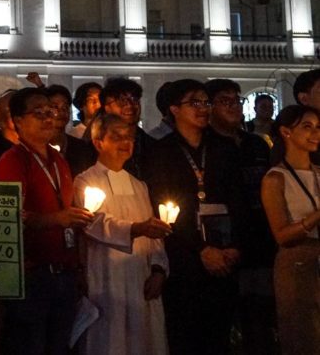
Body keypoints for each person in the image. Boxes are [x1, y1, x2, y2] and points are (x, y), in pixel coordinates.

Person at [144, 79, 246, 355]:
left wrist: (235, 246)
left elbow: (239, 201)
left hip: (225, 254)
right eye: (194, 103)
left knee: (220, 336)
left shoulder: (224, 149)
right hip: (184, 259)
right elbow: (160, 208)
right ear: (174, 109)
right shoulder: (160, 152)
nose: (203, 109)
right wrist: (200, 249)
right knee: (186, 335)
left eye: (205, 103)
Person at [0, 87, 93, 355]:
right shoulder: (13, 159)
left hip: (65, 271)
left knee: (59, 346)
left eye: (50, 111)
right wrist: (57, 219)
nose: (48, 117)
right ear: (17, 121)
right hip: (33, 273)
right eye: (38, 113)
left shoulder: (59, 160)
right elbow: (11, 215)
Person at [74, 114, 170, 355]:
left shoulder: (139, 185)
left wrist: (159, 269)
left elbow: (155, 231)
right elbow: (93, 222)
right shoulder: (85, 180)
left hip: (143, 276)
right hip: (107, 276)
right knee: (111, 341)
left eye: (129, 137)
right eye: (116, 136)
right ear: (98, 142)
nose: (125, 142)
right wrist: (136, 228)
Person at [206, 79, 276, 354]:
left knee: (262, 319)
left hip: (261, 240)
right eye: (225, 101)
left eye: (237, 101)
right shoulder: (207, 146)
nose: (234, 107)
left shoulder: (256, 144)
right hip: (226, 243)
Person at [260, 105, 320, 355]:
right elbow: (281, 235)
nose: (315, 133)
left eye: (318, 128)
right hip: (297, 263)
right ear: (286, 132)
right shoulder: (275, 178)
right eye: (307, 127)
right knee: (303, 337)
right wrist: (314, 218)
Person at [93, 77, 153, 181]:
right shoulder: (94, 147)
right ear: (107, 107)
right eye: (122, 100)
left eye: (134, 99)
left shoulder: (153, 147)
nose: (129, 105)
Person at [47, 85, 97, 177]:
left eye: (65, 107)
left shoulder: (81, 148)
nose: (61, 112)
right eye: (55, 107)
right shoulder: (38, 147)